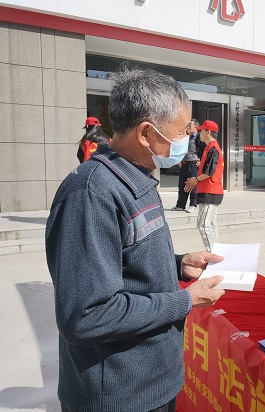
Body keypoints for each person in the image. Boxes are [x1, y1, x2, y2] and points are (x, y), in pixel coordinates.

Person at [45, 68, 226, 412]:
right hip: (119, 395)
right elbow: (85, 315)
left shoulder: (136, 178)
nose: (189, 137)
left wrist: (179, 263)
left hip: (153, 382)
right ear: (146, 133)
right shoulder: (91, 195)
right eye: (184, 129)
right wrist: (184, 302)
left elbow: (123, 262)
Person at [184, 120, 224, 252]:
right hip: (209, 191)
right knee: (211, 225)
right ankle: (216, 253)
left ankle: (212, 255)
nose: (199, 133)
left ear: (208, 132)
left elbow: (209, 172)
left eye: (201, 130)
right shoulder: (209, 147)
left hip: (210, 192)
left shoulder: (213, 148)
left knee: (203, 225)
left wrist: (195, 179)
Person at [172, 118, 204, 212]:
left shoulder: (199, 138)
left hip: (194, 164)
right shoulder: (185, 137)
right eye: (187, 126)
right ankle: (180, 205)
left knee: (193, 185)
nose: (188, 128)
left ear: (196, 127)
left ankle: (193, 204)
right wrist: (179, 160)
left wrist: (201, 161)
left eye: (190, 126)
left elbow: (206, 151)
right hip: (184, 164)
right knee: (182, 185)